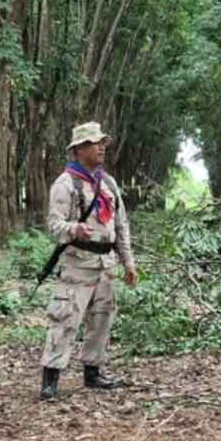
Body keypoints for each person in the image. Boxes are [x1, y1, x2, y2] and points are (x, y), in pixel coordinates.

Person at [39, 121, 139, 400]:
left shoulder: (108, 183)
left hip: (106, 265)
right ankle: (50, 378)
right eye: (96, 143)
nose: (101, 148)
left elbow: (121, 226)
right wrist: (73, 228)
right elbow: (54, 224)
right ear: (80, 149)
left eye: (102, 143)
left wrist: (128, 263)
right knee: (65, 319)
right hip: (77, 263)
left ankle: (93, 373)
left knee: (102, 319)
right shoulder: (66, 183)